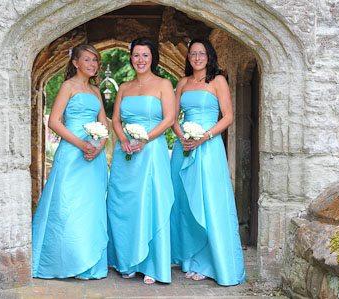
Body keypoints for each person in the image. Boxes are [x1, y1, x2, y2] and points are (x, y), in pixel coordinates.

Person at [170, 38, 246, 286]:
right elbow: (171, 117)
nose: (197, 57)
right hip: (185, 148)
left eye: (201, 53)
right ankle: (190, 259)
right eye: (193, 54)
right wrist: (182, 137)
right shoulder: (182, 83)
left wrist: (204, 137)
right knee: (185, 203)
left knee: (209, 201)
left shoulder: (218, 81)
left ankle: (210, 261)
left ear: (209, 56)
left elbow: (228, 117)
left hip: (208, 147)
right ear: (188, 57)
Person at [32, 44, 109, 280]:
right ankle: (65, 261)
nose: (92, 65)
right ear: (75, 63)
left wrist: (99, 147)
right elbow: (54, 122)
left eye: (95, 61)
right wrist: (81, 144)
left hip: (93, 157)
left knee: (90, 207)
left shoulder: (96, 91)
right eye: (87, 60)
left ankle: (89, 262)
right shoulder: (68, 86)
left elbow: (104, 124)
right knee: (66, 206)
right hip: (72, 153)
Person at [106, 37, 175, 284]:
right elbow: (115, 119)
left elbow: (169, 118)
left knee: (151, 201)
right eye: (136, 55)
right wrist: (123, 139)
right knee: (123, 204)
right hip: (126, 154)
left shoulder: (163, 84)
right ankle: (127, 260)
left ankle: (152, 265)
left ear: (152, 57)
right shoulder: (124, 87)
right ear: (131, 58)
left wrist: (145, 139)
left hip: (151, 150)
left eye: (145, 55)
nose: (140, 60)